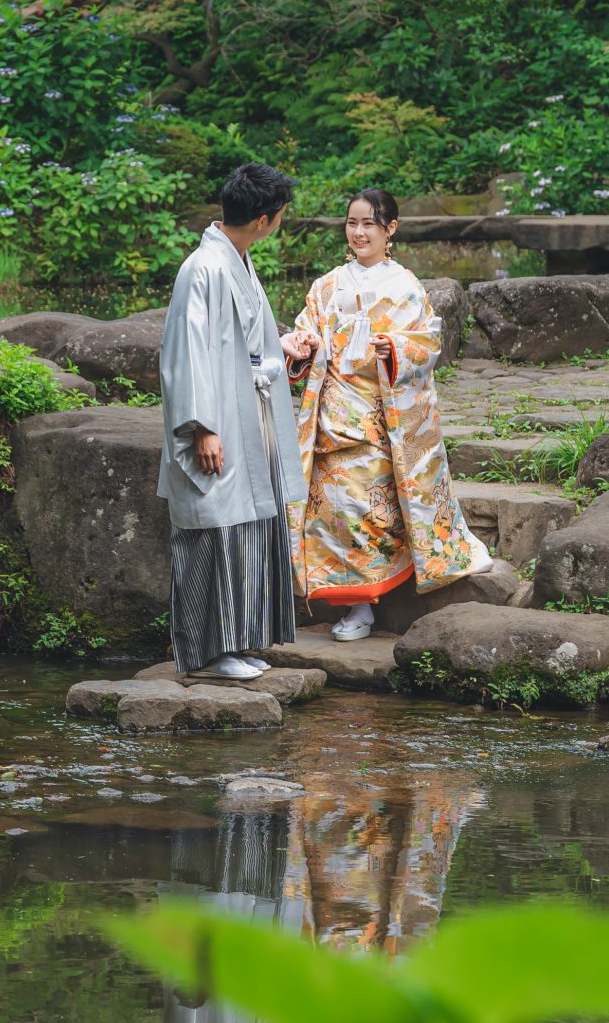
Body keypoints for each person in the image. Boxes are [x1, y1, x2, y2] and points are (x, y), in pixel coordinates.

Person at [280, 186, 490, 643]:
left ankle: (367, 603)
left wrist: (394, 349)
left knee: (370, 511)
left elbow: (428, 342)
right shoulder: (328, 285)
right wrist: (303, 345)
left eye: (368, 224)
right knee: (332, 511)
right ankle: (349, 600)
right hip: (332, 414)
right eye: (352, 223)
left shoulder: (406, 287)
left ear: (390, 229)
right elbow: (305, 330)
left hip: (380, 416)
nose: (358, 233)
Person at [157, 160, 302, 681]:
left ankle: (236, 641)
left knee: (245, 527)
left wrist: (278, 347)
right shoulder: (204, 268)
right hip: (217, 419)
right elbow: (187, 354)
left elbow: (237, 340)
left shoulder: (234, 257)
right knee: (214, 527)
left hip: (247, 408)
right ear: (264, 219)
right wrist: (202, 427)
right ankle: (207, 654)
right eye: (280, 214)